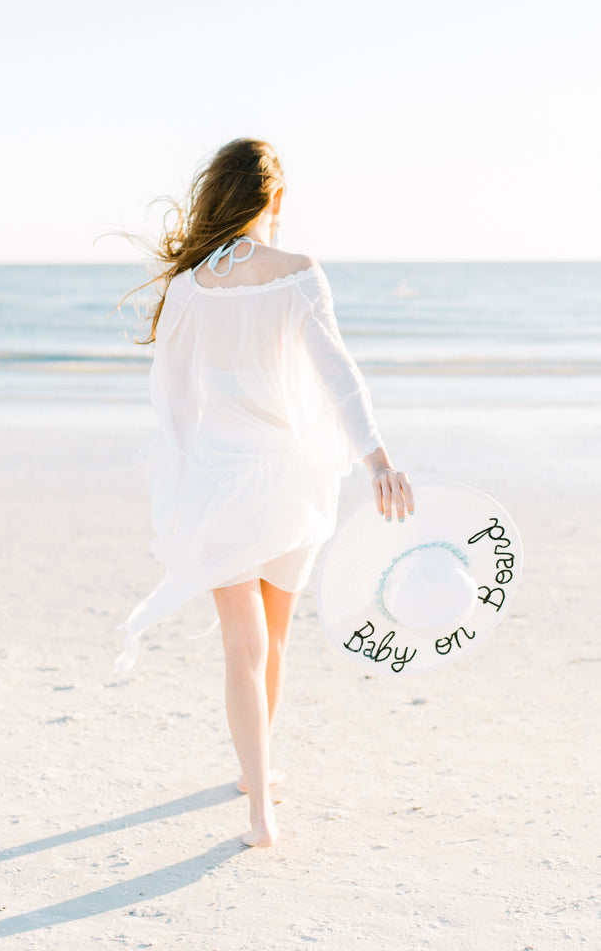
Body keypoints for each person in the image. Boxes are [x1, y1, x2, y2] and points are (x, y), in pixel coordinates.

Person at [116, 138, 413, 847]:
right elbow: (340, 374)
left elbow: (177, 399)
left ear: (220, 195)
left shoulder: (188, 286)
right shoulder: (299, 273)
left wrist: (187, 470)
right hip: (293, 479)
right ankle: (258, 777)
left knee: (242, 647)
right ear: (274, 199)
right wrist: (377, 460)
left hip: (221, 480)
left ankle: (259, 807)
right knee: (274, 640)